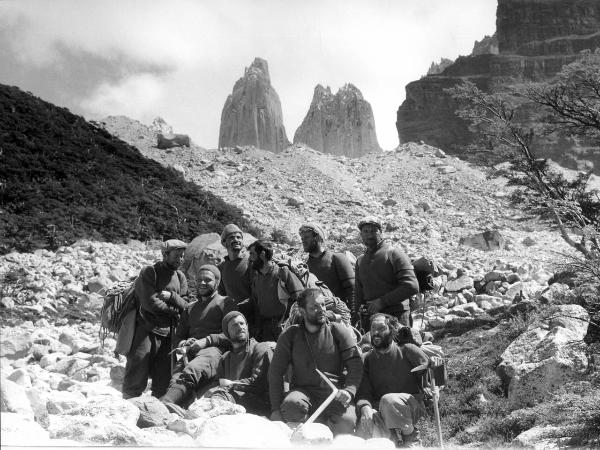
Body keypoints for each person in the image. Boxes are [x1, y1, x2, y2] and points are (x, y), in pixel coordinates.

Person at [268, 288, 363, 435]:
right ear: (302, 311)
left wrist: (349, 390)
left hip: (334, 394)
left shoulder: (337, 331)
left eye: (323, 305)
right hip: (304, 393)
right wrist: (275, 409)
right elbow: (275, 372)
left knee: (347, 423)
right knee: (291, 406)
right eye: (314, 307)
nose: (321, 310)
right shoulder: (290, 335)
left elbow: (355, 363)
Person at [159, 264, 236, 409]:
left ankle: (165, 404)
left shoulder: (226, 303)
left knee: (193, 368)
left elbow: (234, 333)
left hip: (213, 350)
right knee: (176, 376)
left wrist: (206, 341)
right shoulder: (190, 307)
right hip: (189, 349)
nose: (202, 283)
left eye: (207, 280)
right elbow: (179, 335)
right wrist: (183, 343)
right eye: (199, 279)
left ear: (217, 282)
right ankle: (173, 406)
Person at [122, 239, 189, 399]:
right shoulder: (149, 272)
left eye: (182, 256)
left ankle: (157, 407)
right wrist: (174, 310)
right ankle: (129, 402)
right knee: (137, 367)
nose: (180, 259)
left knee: (163, 376)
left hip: (169, 334)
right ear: (165, 255)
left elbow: (187, 304)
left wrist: (172, 298)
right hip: (146, 329)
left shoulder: (180, 277)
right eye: (176, 256)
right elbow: (150, 303)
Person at [356, 313, 431, 447]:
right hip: (382, 410)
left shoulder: (408, 350)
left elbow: (430, 374)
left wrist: (432, 380)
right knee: (363, 430)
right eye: (373, 329)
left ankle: (411, 439)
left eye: (381, 328)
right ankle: (394, 440)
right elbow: (363, 390)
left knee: (389, 400)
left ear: (392, 331)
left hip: (411, 407)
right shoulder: (366, 359)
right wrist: (365, 407)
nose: (376, 333)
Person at [206, 311, 274, 416]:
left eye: (242, 324)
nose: (240, 327)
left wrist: (228, 386)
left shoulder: (260, 348)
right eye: (234, 325)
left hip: (258, 404)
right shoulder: (225, 358)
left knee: (220, 398)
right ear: (227, 333)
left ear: (247, 326)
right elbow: (217, 384)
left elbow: (258, 382)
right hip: (231, 399)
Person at [355, 216, 419, 328]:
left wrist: (381, 302)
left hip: (397, 317)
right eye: (365, 231)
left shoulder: (393, 254)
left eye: (373, 231)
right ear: (361, 235)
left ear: (381, 232)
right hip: (371, 319)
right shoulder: (360, 261)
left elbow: (412, 286)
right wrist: (357, 315)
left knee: (401, 346)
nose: (369, 235)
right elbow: (358, 294)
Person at [248, 239, 303, 341]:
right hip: (265, 329)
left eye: (252, 254)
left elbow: (301, 299)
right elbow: (256, 302)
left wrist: (286, 322)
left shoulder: (283, 273)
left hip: (284, 328)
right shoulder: (256, 277)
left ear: (263, 254)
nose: (250, 258)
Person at [299, 223, 357, 320]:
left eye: (306, 237)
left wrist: (354, 316)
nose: (303, 241)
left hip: (340, 316)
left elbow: (352, 291)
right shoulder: (305, 267)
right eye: (302, 238)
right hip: (317, 318)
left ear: (317, 237)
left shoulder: (337, 259)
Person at [218, 224, 253, 308]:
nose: (236, 240)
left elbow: (258, 292)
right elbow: (222, 293)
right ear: (224, 242)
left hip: (251, 313)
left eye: (239, 237)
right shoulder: (222, 267)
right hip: (232, 313)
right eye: (231, 237)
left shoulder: (250, 262)